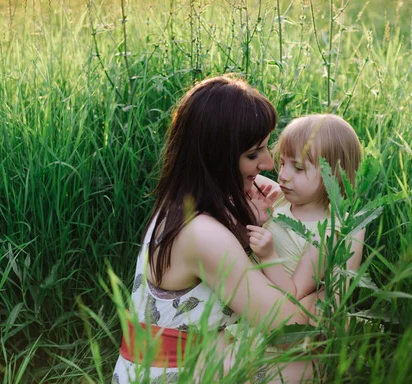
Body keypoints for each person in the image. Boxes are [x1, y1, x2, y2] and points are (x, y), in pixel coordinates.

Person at [112, 76, 315, 384]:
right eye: (253, 154)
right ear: (217, 159)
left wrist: (255, 219)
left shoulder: (180, 204)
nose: (269, 163)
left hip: (164, 367)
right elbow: (291, 332)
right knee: (312, 363)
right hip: (167, 375)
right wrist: (326, 293)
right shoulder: (203, 235)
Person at [246, 114, 366, 300]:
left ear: (333, 176)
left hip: (261, 306)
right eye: (283, 163)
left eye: (299, 168)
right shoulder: (281, 198)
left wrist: (269, 257)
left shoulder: (324, 234)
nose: (283, 175)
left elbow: (294, 294)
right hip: (237, 286)